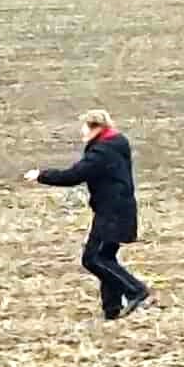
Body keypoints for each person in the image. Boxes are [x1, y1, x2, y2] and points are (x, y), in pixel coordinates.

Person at [23, 109, 152, 320]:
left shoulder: (102, 152)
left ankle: (136, 290)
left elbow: (73, 175)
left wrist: (41, 176)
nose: (82, 132)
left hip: (112, 212)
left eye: (84, 127)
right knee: (106, 257)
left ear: (95, 127)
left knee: (93, 258)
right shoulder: (116, 143)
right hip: (118, 209)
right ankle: (112, 310)